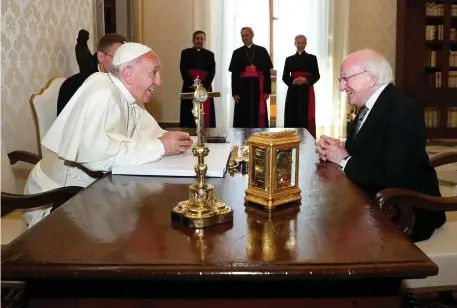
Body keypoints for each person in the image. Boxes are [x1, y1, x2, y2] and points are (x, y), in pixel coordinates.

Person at [23, 42, 193, 228]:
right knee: (130, 229)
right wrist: (161, 146)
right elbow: (99, 155)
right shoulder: (102, 93)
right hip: (56, 202)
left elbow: (153, 134)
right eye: (153, 73)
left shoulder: (128, 94)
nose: (158, 81)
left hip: (94, 193)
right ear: (128, 74)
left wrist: (178, 141)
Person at [315, 48, 445, 242]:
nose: (342, 87)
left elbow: (393, 177)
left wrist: (343, 160)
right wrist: (337, 149)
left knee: (328, 234)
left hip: (406, 211)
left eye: (345, 79)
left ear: (371, 79)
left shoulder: (403, 111)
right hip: (372, 198)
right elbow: (368, 151)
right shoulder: (371, 104)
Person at [58, 33, 127, 115]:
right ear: (101, 56)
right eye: (117, 58)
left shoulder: (127, 82)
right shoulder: (74, 85)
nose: (123, 64)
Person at [229, 27, 273, 128]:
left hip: (258, 87)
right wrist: (235, 92)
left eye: (246, 35)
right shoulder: (237, 52)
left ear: (252, 35)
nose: (244, 38)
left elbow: (266, 73)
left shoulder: (262, 51)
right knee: (243, 115)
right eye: (242, 36)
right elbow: (234, 75)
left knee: (258, 114)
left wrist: (267, 91)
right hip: (242, 88)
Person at [282, 35, 320, 137]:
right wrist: (293, 81)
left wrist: (306, 80)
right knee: (292, 114)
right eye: (298, 43)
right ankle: (290, 138)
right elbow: (284, 77)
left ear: (306, 44)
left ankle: (307, 138)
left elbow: (317, 75)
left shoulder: (312, 58)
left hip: (306, 90)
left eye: (303, 43)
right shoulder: (289, 59)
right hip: (293, 91)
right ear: (295, 44)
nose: (301, 45)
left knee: (305, 115)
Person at [179, 30, 216, 128]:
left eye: (202, 39)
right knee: (189, 112)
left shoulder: (210, 55)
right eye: (197, 38)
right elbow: (183, 69)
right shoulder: (185, 53)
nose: (200, 41)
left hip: (205, 87)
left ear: (204, 41)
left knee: (205, 114)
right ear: (193, 40)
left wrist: (203, 84)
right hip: (189, 87)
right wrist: (192, 84)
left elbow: (212, 71)